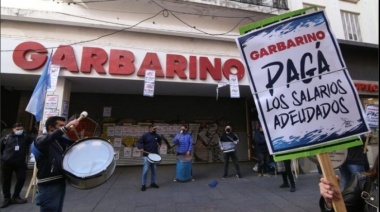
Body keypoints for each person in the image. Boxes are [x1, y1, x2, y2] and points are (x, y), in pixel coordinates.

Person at [33, 116, 79, 212]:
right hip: (48, 183)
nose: (64, 127)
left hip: (59, 181)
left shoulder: (59, 140)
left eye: (64, 125)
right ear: (51, 127)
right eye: (61, 125)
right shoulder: (41, 138)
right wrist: (66, 128)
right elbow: (48, 139)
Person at [0, 123, 34, 208]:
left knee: (22, 178)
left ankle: (16, 196)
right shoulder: (6, 138)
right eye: (17, 129)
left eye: (21, 129)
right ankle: (6, 198)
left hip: (20, 163)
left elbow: (37, 141)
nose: (19, 131)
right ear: (13, 129)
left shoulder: (26, 137)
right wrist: (3, 158)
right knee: (6, 181)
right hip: (7, 163)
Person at [137, 125, 162, 191]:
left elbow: (160, 141)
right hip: (146, 155)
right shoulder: (145, 135)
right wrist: (140, 147)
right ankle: (143, 185)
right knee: (145, 170)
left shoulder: (157, 136)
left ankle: (152, 183)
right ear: (149, 128)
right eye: (153, 128)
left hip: (154, 155)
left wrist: (159, 144)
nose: (154, 129)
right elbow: (139, 142)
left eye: (155, 128)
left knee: (154, 170)